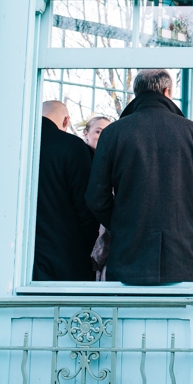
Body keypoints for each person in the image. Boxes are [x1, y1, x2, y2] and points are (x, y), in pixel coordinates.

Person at [86, 69, 193, 284]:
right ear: (167, 91)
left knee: (128, 317)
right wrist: (184, 220)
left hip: (128, 256)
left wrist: (123, 223)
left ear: (136, 92)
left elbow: (96, 197)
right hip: (181, 257)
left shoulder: (113, 133)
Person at [34, 101, 99, 281]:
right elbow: (86, 205)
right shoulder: (72, 146)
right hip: (65, 258)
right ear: (66, 121)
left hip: (19, 261)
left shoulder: (18, 145)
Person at [84, 115, 114, 281]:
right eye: (98, 131)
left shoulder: (113, 164)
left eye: (107, 132)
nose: (102, 136)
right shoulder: (80, 160)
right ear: (86, 133)